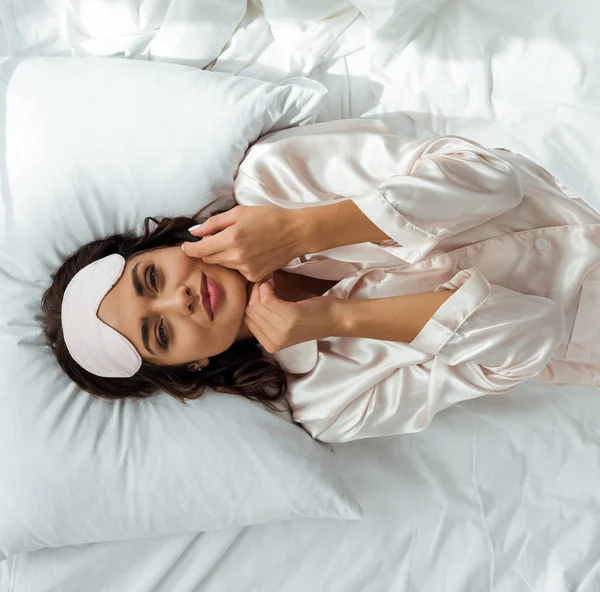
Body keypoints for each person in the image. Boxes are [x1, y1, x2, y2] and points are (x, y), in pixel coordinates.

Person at [42, 119, 600, 443]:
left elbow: (492, 180)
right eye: (160, 333)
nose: (178, 299)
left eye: (152, 277)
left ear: (163, 245)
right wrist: (339, 319)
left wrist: (305, 227)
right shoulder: (327, 404)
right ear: (190, 367)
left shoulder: (274, 176)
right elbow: (534, 334)